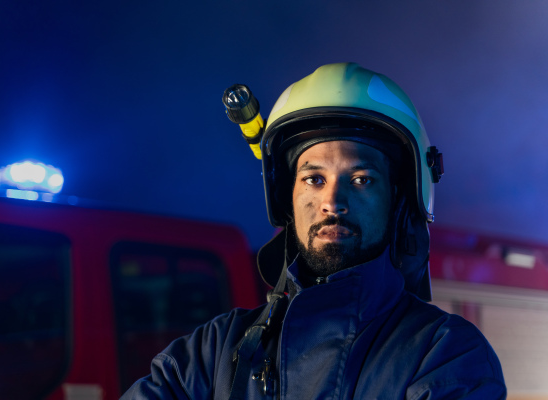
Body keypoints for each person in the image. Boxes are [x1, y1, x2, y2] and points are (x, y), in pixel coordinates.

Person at [121, 63, 507, 399]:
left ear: (400, 201)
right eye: (313, 178)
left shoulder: (446, 357)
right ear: (286, 197)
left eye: (360, 180)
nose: (332, 201)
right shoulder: (214, 352)